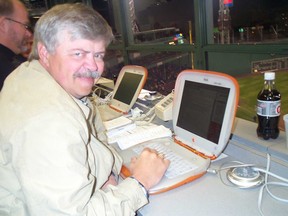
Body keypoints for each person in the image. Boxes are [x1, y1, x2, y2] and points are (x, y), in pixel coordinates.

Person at [0, 3, 170, 216]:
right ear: (44, 52)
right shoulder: (48, 121)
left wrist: (108, 173)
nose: (93, 66)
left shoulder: (28, 75)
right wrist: (139, 183)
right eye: (79, 53)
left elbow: (95, 143)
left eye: (98, 55)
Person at [0, 0, 33, 90]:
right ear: (3, 25)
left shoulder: (12, 60)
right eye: (25, 26)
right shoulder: (7, 72)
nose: (29, 34)